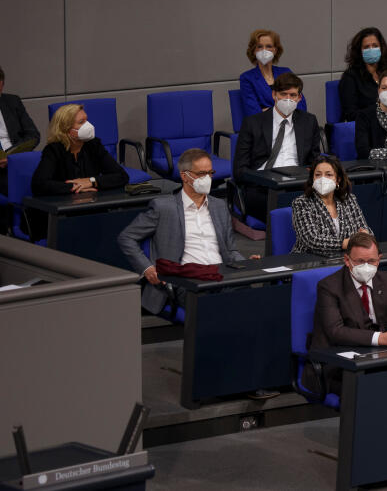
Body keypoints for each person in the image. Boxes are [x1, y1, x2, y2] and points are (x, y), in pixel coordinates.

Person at [117, 149, 248, 315]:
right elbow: (126, 238)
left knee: (249, 297)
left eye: (210, 173)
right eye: (201, 174)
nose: (207, 178)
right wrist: (148, 269)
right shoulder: (164, 208)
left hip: (221, 275)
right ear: (185, 176)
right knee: (217, 309)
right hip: (186, 281)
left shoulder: (219, 206)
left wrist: (246, 264)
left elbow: (230, 250)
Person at [304, 232, 387, 395]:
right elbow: (336, 332)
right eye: (360, 261)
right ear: (347, 260)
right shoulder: (329, 287)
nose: (366, 266)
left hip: (381, 360)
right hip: (340, 365)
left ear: (379, 259)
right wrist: (383, 338)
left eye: (371, 261)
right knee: (376, 390)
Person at [232, 73, 324, 221]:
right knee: (293, 210)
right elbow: (239, 170)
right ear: (274, 94)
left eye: (293, 95)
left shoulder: (309, 121)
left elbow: (314, 159)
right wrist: (263, 179)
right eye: (283, 94)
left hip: (298, 183)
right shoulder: (253, 123)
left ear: (299, 98)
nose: (288, 99)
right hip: (263, 186)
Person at [33, 103, 128, 195]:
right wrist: (74, 186)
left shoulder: (94, 144)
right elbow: (39, 185)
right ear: (66, 129)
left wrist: (91, 181)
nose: (88, 125)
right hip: (65, 203)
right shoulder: (53, 150)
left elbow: (122, 176)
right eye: (81, 122)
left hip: (93, 200)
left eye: (86, 120)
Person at [290, 156, 372, 258]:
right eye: (318, 175)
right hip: (310, 260)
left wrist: (365, 234)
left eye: (328, 175)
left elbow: (365, 229)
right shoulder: (301, 203)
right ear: (312, 179)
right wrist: (344, 243)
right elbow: (311, 240)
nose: (322, 179)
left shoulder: (349, 199)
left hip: (346, 258)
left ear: (338, 180)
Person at [338, 27, 387, 124]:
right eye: (366, 47)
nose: (371, 49)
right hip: (367, 128)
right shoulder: (350, 77)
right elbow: (351, 114)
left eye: (375, 45)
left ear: (381, 48)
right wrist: (381, 116)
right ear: (359, 51)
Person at [237, 29, 307, 118]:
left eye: (269, 46)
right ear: (254, 50)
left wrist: (267, 109)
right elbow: (254, 114)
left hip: (292, 124)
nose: (264, 50)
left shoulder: (285, 72)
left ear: (275, 50)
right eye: (259, 46)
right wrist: (286, 108)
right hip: (264, 129)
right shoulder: (247, 78)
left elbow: (301, 106)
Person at [0, 65, 40, 198]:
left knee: (44, 182)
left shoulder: (12, 102)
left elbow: (33, 135)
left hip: (16, 160)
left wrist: (12, 157)